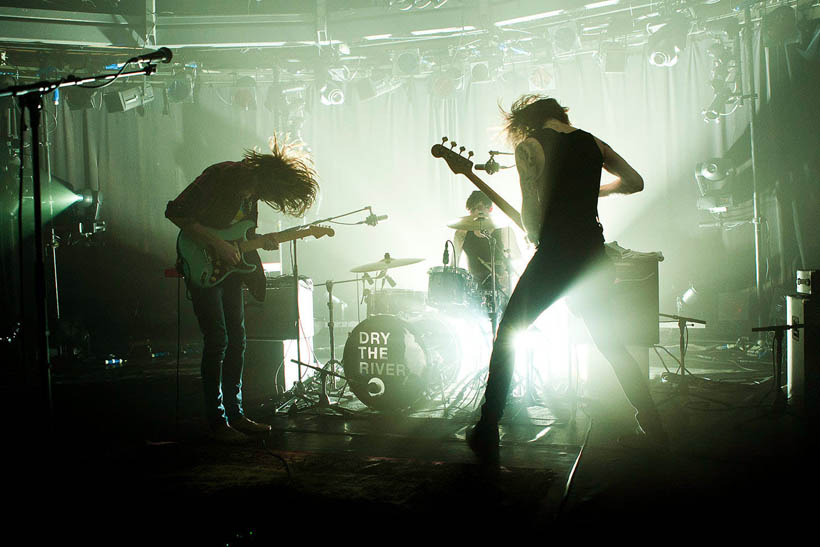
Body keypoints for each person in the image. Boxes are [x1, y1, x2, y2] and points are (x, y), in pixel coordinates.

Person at [467, 95, 667, 463]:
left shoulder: (529, 147)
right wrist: (597, 191)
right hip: (593, 254)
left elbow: (530, 218)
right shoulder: (592, 142)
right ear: (561, 115)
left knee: (509, 333)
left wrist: (534, 233)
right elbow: (635, 182)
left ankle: (486, 429)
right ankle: (653, 427)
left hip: (557, 255)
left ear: (528, 123)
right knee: (611, 344)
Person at [166, 137, 318, 443]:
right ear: (259, 174)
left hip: (230, 273)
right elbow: (175, 212)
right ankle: (217, 421)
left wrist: (263, 241)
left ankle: (235, 415)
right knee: (218, 340)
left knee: (237, 339)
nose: (257, 197)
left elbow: (240, 235)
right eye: (260, 191)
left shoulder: (253, 194)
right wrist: (217, 244)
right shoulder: (221, 174)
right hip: (203, 265)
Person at [453, 191, 520, 308]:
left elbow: (517, 260)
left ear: (490, 209)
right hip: (474, 289)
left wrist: (508, 277)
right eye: (472, 209)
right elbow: (453, 266)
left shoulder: (505, 231)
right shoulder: (462, 233)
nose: (476, 212)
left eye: (480, 208)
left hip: (501, 287)